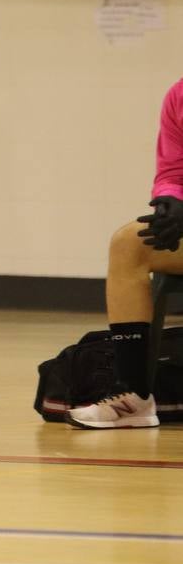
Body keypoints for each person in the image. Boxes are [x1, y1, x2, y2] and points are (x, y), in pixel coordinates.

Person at [68, 79, 183, 429]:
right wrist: (171, 201)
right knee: (129, 242)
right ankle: (134, 396)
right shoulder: (179, 95)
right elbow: (172, 170)